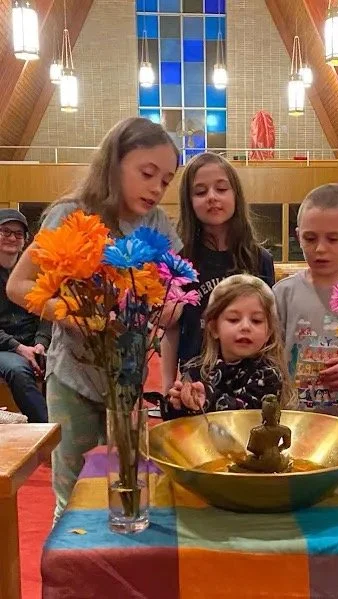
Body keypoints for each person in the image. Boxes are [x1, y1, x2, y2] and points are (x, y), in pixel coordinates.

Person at [6, 117, 182, 522]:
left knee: (129, 485)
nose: (156, 188)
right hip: (74, 377)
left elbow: (172, 287)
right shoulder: (71, 213)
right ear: (114, 164)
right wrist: (72, 314)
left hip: (128, 377)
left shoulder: (157, 224)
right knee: (73, 490)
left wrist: (170, 308)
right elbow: (19, 285)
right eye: (147, 173)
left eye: (166, 180)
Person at [161, 152, 275, 395]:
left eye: (221, 189)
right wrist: (167, 386)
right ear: (188, 201)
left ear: (236, 195)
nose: (212, 197)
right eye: (201, 192)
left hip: (250, 383)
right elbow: (171, 329)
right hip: (194, 383)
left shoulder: (259, 259)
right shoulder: (179, 259)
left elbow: (269, 327)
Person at [273, 184, 338, 425]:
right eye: (310, 238)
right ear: (298, 236)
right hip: (295, 422)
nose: (320, 249)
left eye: (332, 239)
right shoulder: (283, 294)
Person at [164, 274, 295, 419]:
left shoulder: (268, 375)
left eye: (256, 321)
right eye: (234, 319)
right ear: (214, 328)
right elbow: (178, 423)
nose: (245, 327)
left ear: (268, 332)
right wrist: (177, 404)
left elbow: (246, 416)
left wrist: (207, 399)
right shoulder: (196, 370)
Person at [0, 209, 50, 422]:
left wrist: (41, 343)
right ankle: (50, 431)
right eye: (5, 231)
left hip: (33, 342)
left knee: (65, 364)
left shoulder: (35, 271)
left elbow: (47, 312)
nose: (12, 237)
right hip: (4, 346)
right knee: (19, 370)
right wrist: (19, 348)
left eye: (18, 234)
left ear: (25, 241)